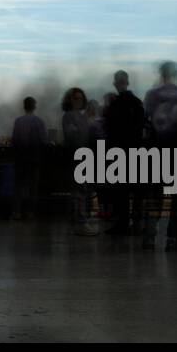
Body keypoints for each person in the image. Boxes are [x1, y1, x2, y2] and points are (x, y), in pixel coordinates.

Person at [142, 62, 177, 251]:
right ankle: (173, 238)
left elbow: (146, 119)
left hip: (157, 149)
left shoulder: (151, 95)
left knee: (154, 194)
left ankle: (149, 237)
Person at [103, 72, 145, 234]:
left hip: (119, 151)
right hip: (134, 150)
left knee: (121, 190)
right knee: (136, 189)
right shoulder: (136, 103)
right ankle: (137, 223)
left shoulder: (115, 105)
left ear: (116, 83)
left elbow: (109, 128)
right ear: (127, 82)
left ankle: (122, 223)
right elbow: (140, 127)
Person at [61, 87, 97, 235]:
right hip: (76, 156)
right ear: (69, 100)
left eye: (80, 98)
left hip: (82, 155)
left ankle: (76, 221)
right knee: (79, 190)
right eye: (75, 98)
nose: (78, 101)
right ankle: (81, 223)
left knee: (79, 190)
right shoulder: (69, 116)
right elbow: (72, 135)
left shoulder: (80, 116)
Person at [11, 96, 46, 221]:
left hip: (20, 158)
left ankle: (17, 212)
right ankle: (31, 212)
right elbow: (43, 140)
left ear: (24, 106)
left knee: (18, 187)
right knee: (33, 187)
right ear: (34, 106)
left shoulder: (18, 121)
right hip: (34, 158)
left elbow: (14, 140)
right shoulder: (39, 121)